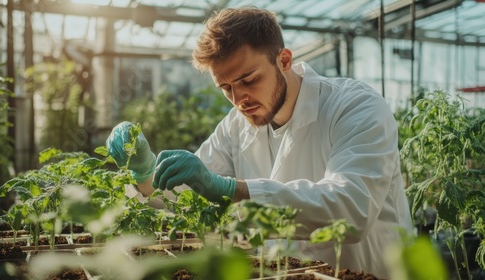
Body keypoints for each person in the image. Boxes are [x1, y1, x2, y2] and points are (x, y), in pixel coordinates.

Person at [106, 6, 413, 278]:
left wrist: (233, 190)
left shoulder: (354, 107)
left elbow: (352, 209)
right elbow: (188, 194)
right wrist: (145, 173)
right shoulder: (235, 126)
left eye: (249, 80)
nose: (239, 99)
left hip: (370, 272)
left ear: (284, 60)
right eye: (225, 87)